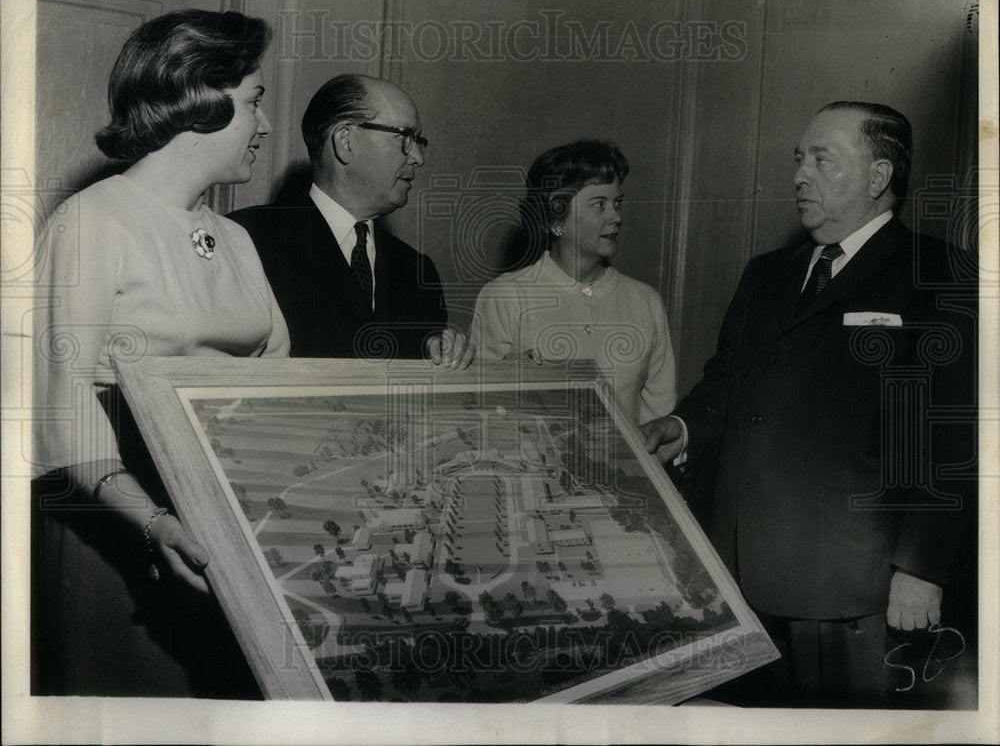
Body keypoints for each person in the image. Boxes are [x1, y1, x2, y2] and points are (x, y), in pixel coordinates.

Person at [644, 102, 976, 706]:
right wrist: (680, 425)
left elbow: (951, 437)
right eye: (799, 158)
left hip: (852, 587)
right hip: (739, 571)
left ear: (878, 177)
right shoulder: (766, 273)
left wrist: (922, 570)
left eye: (823, 159)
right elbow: (725, 382)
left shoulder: (940, 273)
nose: (800, 174)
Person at [32, 9, 288, 697]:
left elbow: (278, 386)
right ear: (201, 96)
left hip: (225, 521)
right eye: (255, 103)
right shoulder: (91, 221)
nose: (266, 126)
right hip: (119, 527)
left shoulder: (233, 238)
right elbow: (62, 400)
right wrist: (153, 522)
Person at [230, 74, 474, 368]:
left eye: (419, 142)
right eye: (406, 138)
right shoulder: (247, 239)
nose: (418, 158)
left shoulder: (418, 271)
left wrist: (446, 354)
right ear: (346, 141)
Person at [471, 139, 678, 429]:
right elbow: (479, 408)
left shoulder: (646, 301)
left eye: (618, 203)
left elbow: (658, 412)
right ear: (557, 217)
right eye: (599, 205)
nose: (616, 217)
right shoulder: (505, 296)